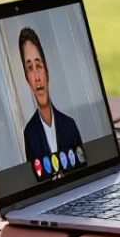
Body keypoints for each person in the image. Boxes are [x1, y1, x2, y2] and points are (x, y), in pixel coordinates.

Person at [17, 27, 86, 162]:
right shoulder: (29, 133)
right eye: (30, 68)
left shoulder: (69, 125)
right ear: (27, 79)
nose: (37, 77)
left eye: (39, 65)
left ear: (46, 71)